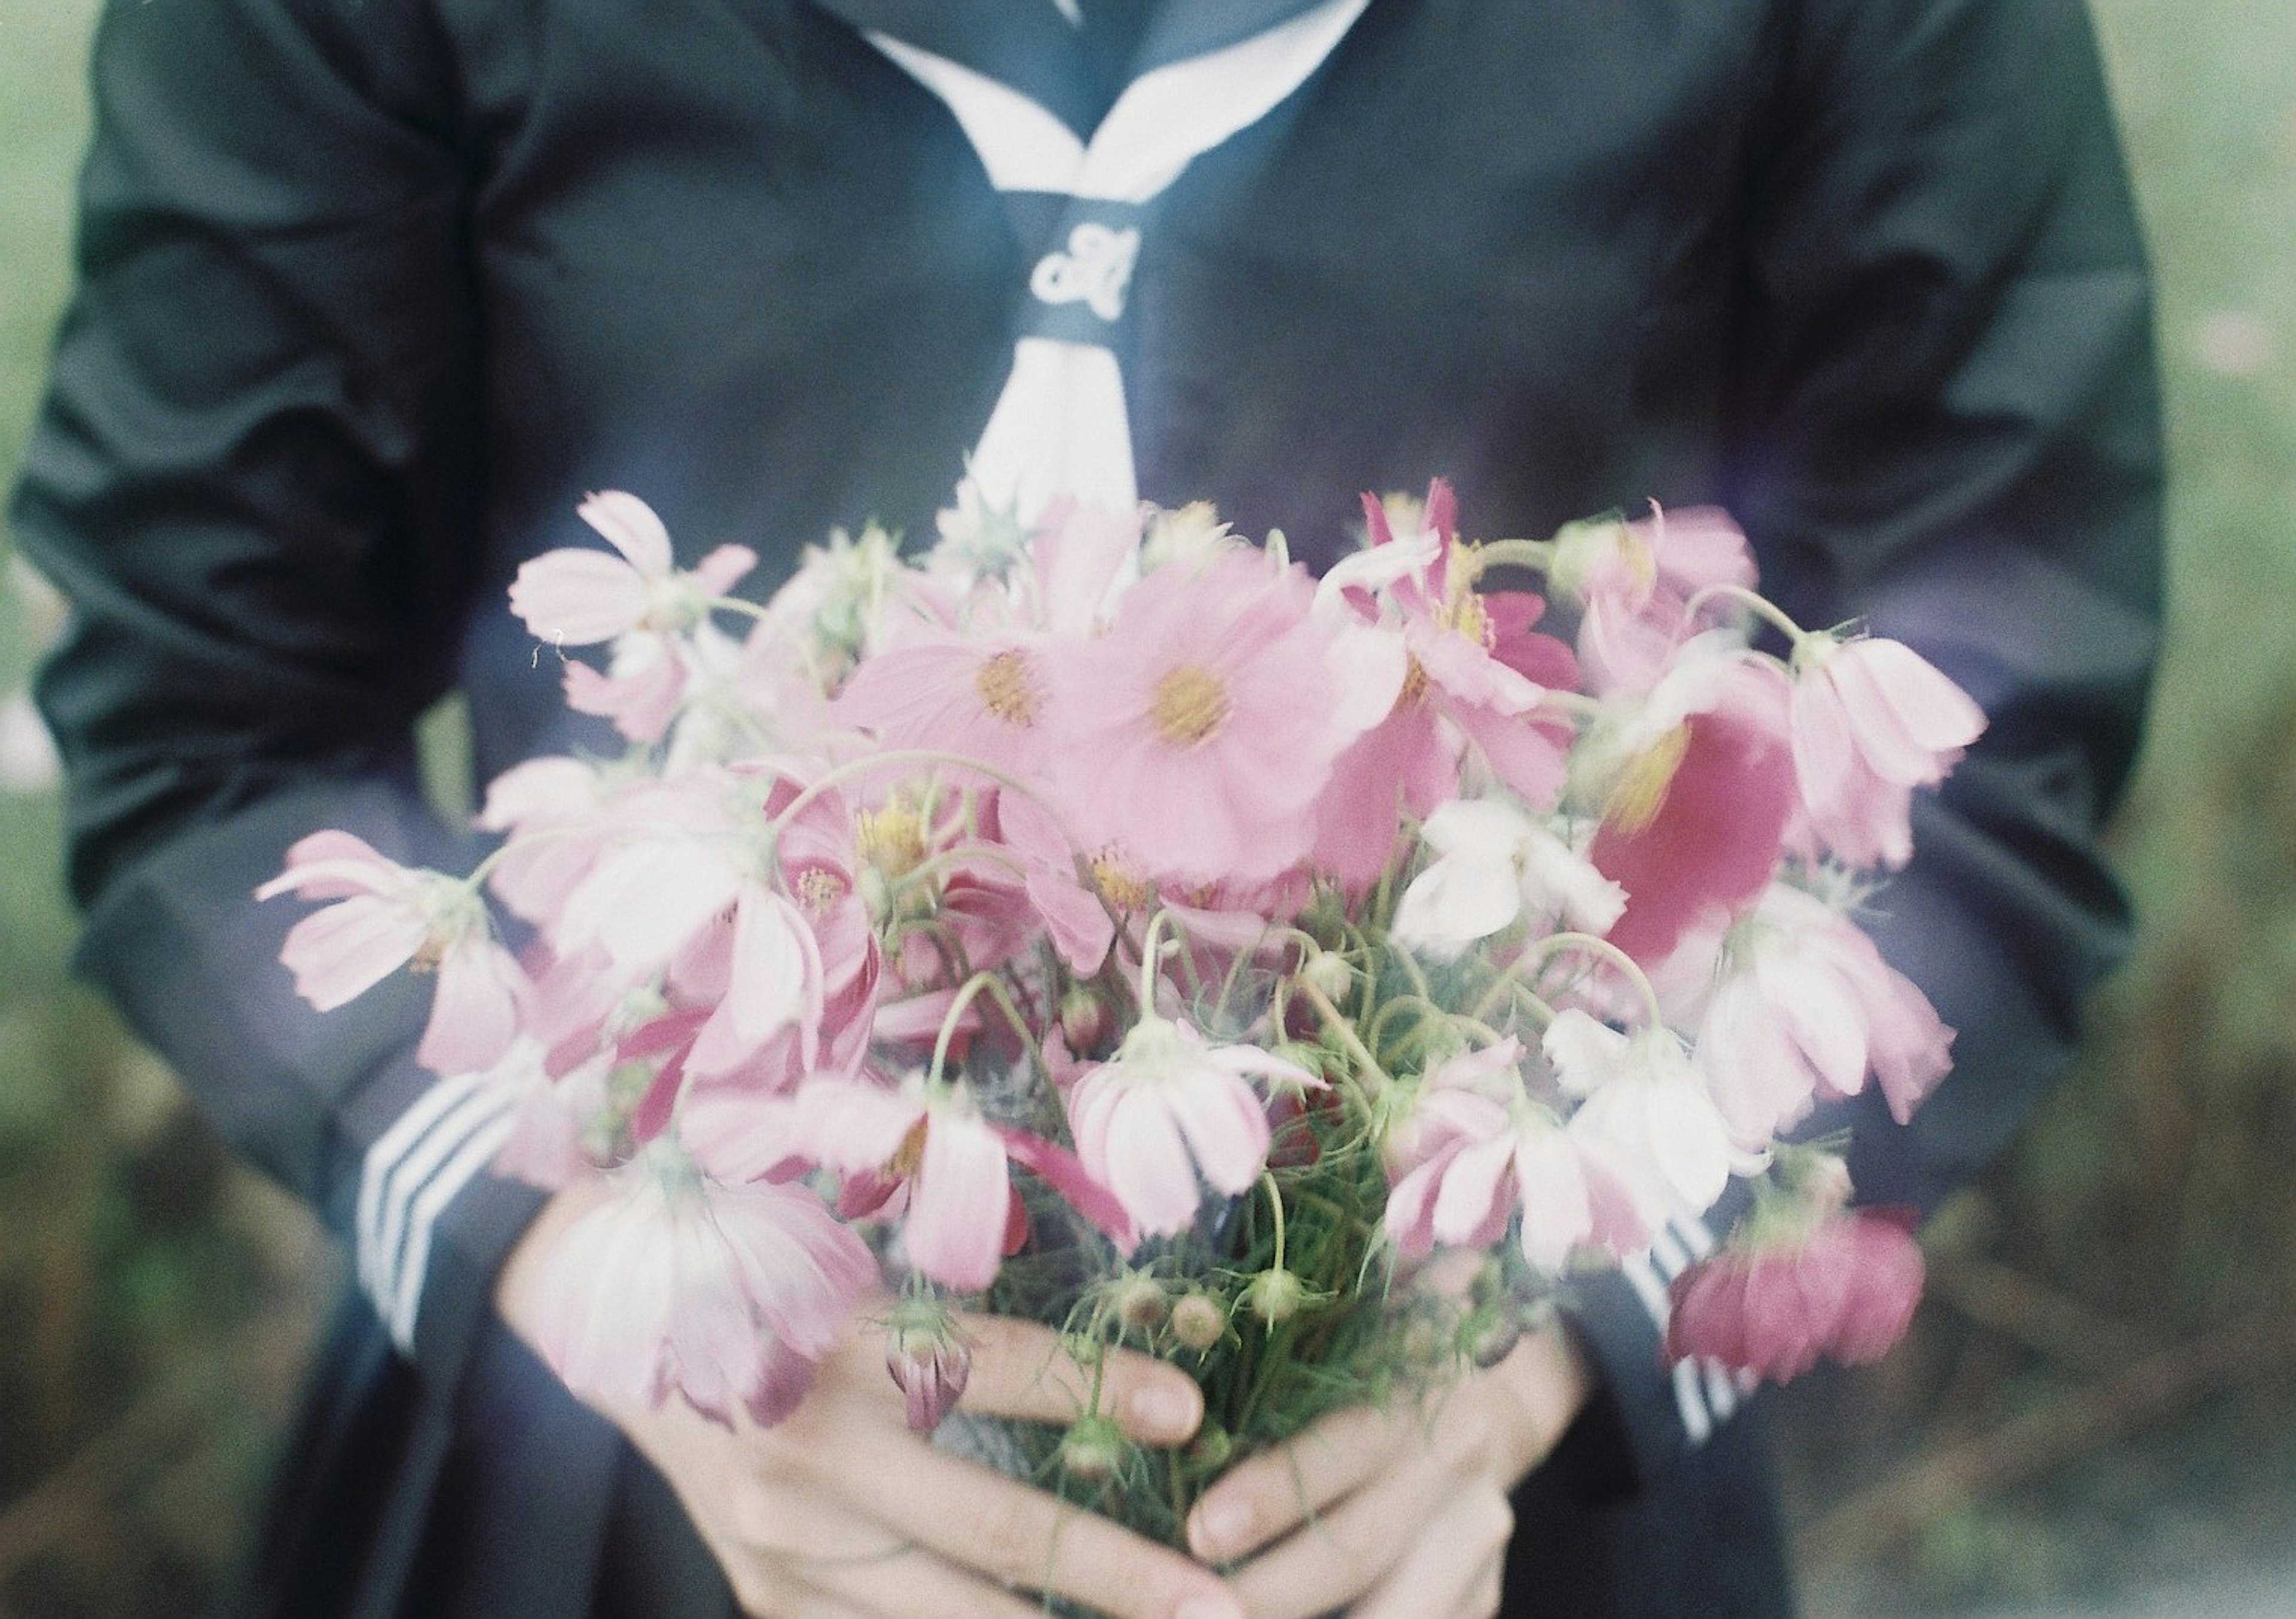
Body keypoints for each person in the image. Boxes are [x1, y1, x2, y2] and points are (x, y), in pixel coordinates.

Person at [10, 0, 2160, 1614]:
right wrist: (605, 1273)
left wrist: (1521, 1370)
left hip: (1477, 1502)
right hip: (625, 1475)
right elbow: (204, 709)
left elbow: (1997, 713)